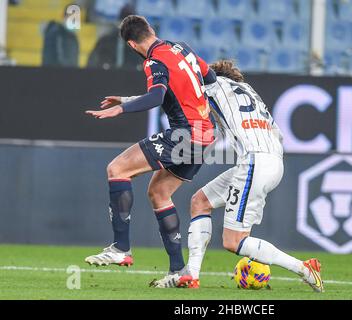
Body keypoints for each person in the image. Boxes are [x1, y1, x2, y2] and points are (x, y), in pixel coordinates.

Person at [163, 60, 323, 292]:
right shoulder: (252, 95)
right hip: (272, 161)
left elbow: (187, 82)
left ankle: (304, 268)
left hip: (254, 161)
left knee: (233, 241)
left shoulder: (214, 85)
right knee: (200, 201)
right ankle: (192, 275)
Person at [84, 16, 217, 284]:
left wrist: (120, 108)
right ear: (152, 31)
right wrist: (127, 98)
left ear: (132, 45)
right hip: (206, 134)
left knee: (117, 169)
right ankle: (179, 272)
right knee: (159, 193)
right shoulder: (182, 48)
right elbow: (209, 76)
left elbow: (157, 96)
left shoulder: (154, 61)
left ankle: (121, 249)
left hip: (185, 134)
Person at [87, 4, 142, 70]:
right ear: (118, 23)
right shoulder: (105, 42)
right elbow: (92, 64)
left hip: (133, 78)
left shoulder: (141, 46)